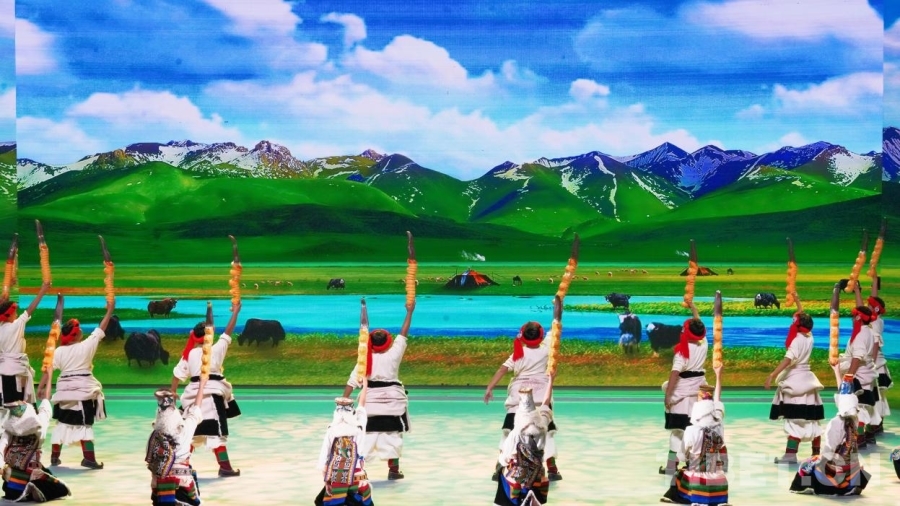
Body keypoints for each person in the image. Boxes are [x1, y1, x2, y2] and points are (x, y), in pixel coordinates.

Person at [485, 296, 562, 482]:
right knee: (546, 434)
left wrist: (490, 387)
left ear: (523, 335)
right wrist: (558, 303)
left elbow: (501, 370)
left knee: (510, 434)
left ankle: (500, 467)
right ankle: (551, 468)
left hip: (518, 402)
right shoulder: (547, 348)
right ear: (540, 335)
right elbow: (557, 320)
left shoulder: (518, 353)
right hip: (541, 400)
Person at [343, 298, 414, 480]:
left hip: (370, 406)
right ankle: (394, 470)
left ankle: (359, 471)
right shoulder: (394, 353)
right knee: (393, 436)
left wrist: (343, 403)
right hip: (393, 405)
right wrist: (409, 312)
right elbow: (403, 334)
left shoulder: (364, 360)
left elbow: (351, 383)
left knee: (365, 437)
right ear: (388, 342)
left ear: (371, 344)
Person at [41, 297, 115, 470]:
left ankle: (54, 457)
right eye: (78, 328)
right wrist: (110, 310)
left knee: (61, 424)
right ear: (75, 334)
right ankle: (89, 459)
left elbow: (48, 369)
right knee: (85, 426)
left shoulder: (59, 351)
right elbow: (101, 328)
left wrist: (43, 386)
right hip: (82, 393)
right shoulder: (86, 346)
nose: (81, 329)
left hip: (64, 393)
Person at [170, 301, 242, 478]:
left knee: (190, 434)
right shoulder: (216, 349)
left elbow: (177, 375)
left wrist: (173, 393)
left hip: (193, 399)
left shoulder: (190, 354)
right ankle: (225, 467)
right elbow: (228, 332)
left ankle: (181, 465)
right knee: (217, 436)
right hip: (212, 399)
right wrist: (235, 312)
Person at [765, 292, 825, 464]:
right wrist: (798, 302)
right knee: (812, 420)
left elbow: (788, 360)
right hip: (807, 378)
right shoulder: (809, 336)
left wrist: (772, 375)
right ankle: (816, 454)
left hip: (796, 379)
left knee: (794, 420)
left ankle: (790, 455)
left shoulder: (796, 340)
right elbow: (803, 317)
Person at [789, 371, 871, 496]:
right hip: (851, 467)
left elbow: (828, 452)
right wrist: (836, 370)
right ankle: (852, 485)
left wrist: (818, 461)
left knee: (806, 465)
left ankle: (811, 486)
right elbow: (844, 396)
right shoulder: (855, 419)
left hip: (837, 472)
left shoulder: (835, 423)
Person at [661, 364, 729, 505]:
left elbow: (683, 455)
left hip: (698, 479)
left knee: (679, 474)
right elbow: (717, 401)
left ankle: (683, 496)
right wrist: (718, 375)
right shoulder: (719, 425)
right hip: (718, 479)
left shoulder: (692, 431)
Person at [0, 374, 71, 502]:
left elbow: (0, 451)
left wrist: (3, 468)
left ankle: (25, 487)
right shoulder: (40, 425)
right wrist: (49, 376)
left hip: (12, 486)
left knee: (15, 472)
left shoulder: (8, 431)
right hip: (30, 471)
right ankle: (32, 486)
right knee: (56, 486)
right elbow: (45, 403)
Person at [660, 299, 708, 475]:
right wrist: (693, 308)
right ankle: (692, 465)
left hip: (680, 398)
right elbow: (699, 324)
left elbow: (674, 374)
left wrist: (668, 396)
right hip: (696, 395)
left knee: (677, 433)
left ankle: (671, 466)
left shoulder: (682, 352)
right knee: (693, 431)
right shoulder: (703, 344)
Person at [315, 377, 373, 506]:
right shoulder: (359, 426)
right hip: (358, 475)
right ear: (351, 411)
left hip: (336, 477)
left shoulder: (332, 429)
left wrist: (326, 480)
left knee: (330, 502)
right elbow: (362, 404)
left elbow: (324, 456)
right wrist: (365, 385)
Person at [493, 386, 552, 506]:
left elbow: (505, 458)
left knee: (502, 472)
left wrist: (501, 463)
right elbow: (546, 404)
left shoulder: (516, 434)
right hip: (537, 475)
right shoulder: (543, 426)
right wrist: (551, 380)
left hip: (518, 477)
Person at [146, 386, 204, 506]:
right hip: (183, 484)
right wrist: (202, 384)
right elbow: (196, 410)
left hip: (159, 488)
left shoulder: (154, 437)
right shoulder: (185, 430)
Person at [839, 285, 878, 448]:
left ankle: (859, 439)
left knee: (856, 408)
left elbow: (857, 357)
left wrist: (848, 377)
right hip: (866, 373)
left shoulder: (861, 334)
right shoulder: (868, 330)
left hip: (859, 376)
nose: (851, 318)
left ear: (859, 318)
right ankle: (864, 436)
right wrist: (856, 291)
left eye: (853, 316)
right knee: (862, 407)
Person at [0, 282, 51, 406]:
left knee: (9, 407)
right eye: (15, 312)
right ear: (9, 315)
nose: (16, 314)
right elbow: (30, 309)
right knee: (18, 408)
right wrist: (43, 290)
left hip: (5, 371)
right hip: (15, 372)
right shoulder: (16, 326)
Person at [865, 269, 890, 434]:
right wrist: (874, 280)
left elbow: (875, 345)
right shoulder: (873, 318)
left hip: (876, 362)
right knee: (876, 394)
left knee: (877, 395)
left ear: (875, 310)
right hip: (873, 361)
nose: (867, 307)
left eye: (870, 306)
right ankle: (875, 423)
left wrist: (872, 365)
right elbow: (872, 300)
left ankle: (877, 423)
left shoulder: (876, 323)